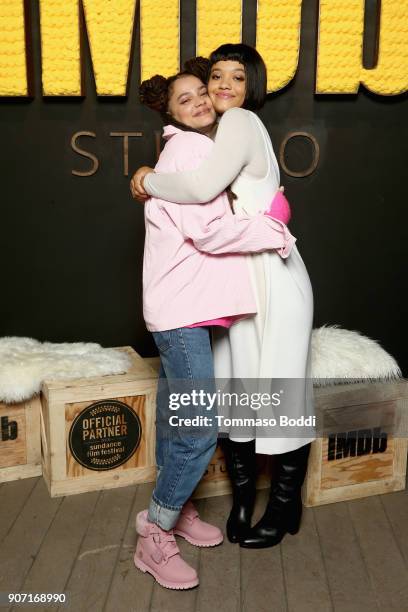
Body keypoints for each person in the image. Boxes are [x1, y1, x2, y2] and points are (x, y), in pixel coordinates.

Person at [130, 44, 316, 550]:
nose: (224, 86)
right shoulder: (211, 136)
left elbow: (203, 187)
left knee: (278, 397)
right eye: (217, 75)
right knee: (238, 394)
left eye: (237, 76)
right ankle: (239, 502)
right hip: (236, 282)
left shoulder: (237, 123)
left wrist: (148, 178)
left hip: (270, 276)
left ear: (251, 84)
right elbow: (204, 190)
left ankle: (283, 505)